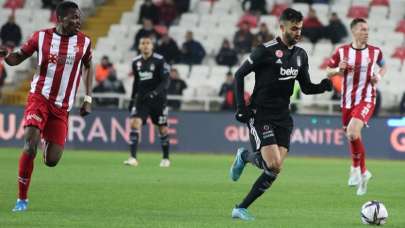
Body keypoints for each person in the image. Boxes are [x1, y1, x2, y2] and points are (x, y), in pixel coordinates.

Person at [229, 8, 332, 221]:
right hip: (261, 114)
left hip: (283, 117)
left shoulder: (301, 55)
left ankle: (241, 204)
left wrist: (322, 86)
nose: (298, 32)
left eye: (300, 29)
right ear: (282, 27)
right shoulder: (265, 51)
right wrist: (241, 107)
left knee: (274, 169)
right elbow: (239, 75)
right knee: (273, 163)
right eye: (294, 28)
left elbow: (305, 87)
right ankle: (244, 159)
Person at [0, 1, 93, 212]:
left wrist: (88, 97)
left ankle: (44, 142)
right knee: (29, 144)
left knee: (51, 161)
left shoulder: (84, 42)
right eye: (73, 17)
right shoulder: (41, 37)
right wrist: (6, 56)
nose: (78, 21)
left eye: (79, 17)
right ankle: (22, 199)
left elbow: (88, 65)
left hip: (62, 107)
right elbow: (18, 58)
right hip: (39, 97)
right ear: (60, 19)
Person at [326, 18, 387, 196]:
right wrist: (338, 70)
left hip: (367, 98)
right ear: (354, 32)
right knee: (352, 136)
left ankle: (361, 170)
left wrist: (379, 77)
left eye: (367, 30)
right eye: (362, 30)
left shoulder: (375, 52)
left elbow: (383, 67)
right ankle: (359, 171)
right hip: (347, 101)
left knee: (352, 131)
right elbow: (328, 71)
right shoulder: (342, 51)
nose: (366, 32)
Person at [124, 36, 171, 168]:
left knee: (162, 129)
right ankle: (133, 158)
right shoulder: (136, 62)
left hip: (158, 100)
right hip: (142, 99)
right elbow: (136, 82)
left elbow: (165, 81)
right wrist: (132, 99)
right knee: (135, 123)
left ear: (152, 46)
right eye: (143, 43)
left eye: (148, 43)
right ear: (139, 46)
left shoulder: (159, 60)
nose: (145, 45)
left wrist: (155, 93)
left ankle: (166, 158)